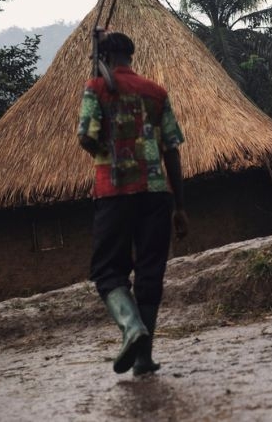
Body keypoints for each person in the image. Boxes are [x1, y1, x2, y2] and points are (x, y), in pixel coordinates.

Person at [77, 28, 188, 376]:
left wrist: (105, 137)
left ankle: (131, 327)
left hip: (114, 193)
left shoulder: (96, 89)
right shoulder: (156, 92)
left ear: (105, 59)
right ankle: (143, 358)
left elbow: (86, 137)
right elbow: (172, 149)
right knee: (150, 272)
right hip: (156, 194)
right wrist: (179, 205)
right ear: (130, 56)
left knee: (108, 270)